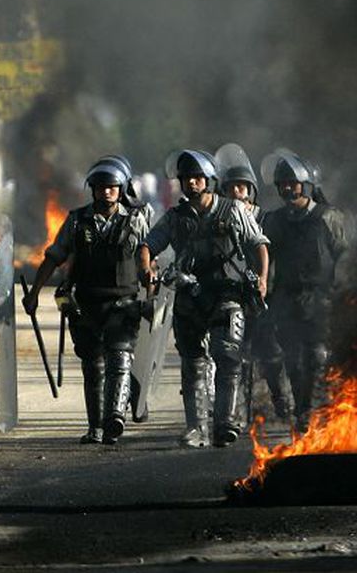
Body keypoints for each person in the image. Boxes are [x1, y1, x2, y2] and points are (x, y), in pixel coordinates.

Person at [139, 149, 269, 448]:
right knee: (194, 363)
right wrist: (145, 267)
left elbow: (259, 244)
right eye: (186, 179)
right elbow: (149, 245)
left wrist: (261, 279)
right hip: (190, 295)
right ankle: (197, 428)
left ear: (209, 180)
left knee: (227, 356)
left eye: (197, 178)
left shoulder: (233, 210)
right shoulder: (175, 218)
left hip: (226, 293)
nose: (192, 184)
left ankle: (225, 423)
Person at [22, 156, 150, 444]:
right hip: (87, 304)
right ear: (92, 189)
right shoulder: (77, 220)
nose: (106, 192)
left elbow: (147, 253)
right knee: (93, 367)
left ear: (122, 189)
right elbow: (54, 256)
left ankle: (114, 419)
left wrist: (151, 287)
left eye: (112, 187)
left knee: (118, 359)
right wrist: (33, 293)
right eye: (101, 187)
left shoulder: (137, 218)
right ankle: (95, 427)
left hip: (123, 302)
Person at [259, 149, 348, 430]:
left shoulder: (328, 217)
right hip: (286, 299)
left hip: (321, 298)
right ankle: (302, 409)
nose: (287, 187)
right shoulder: (274, 220)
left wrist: (342, 294)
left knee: (317, 357)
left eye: (292, 183)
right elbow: (265, 258)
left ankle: (316, 412)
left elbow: (344, 255)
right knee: (293, 361)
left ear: (305, 184)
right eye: (282, 183)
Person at [215, 143, 291, 424]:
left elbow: (278, 255)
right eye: (232, 188)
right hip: (231, 296)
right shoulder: (219, 220)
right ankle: (234, 411)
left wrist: (268, 284)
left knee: (270, 353)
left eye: (242, 187)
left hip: (263, 297)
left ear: (251, 191)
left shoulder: (267, 220)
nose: (238, 193)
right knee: (233, 356)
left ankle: (282, 404)